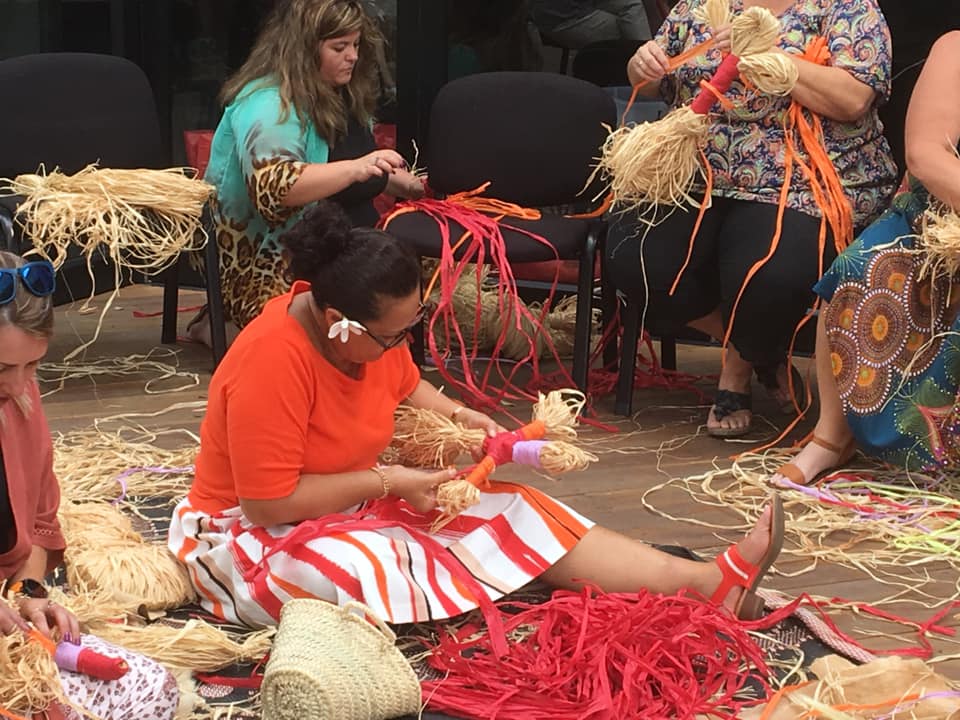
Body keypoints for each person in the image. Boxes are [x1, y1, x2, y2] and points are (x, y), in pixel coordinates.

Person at [169, 200, 784, 631]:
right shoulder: (271, 360)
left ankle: (710, 582)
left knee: (514, 507)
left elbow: (409, 389)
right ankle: (452, 572)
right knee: (353, 565)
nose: (400, 346)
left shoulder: (365, 335)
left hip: (339, 504)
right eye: (392, 336)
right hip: (244, 538)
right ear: (339, 324)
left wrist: (465, 418)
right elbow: (267, 506)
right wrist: (393, 483)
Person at [608, 0, 898, 438]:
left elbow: (853, 99)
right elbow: (651, 81)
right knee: (632, 256)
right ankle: (759, 352)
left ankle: (736, 373)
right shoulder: (701, 6)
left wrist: (774, 60)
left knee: (768, 276)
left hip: (801, 179)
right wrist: (640, 66)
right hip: (693, 174)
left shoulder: (846, 7)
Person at [771, 31, 960, 484]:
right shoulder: (955, 47)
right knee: (858, 266)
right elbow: (925, 154)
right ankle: (830, 438)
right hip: (939, 217)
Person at [0, 251, 179, 719]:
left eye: (33, 365)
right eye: (2, 370)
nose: (20, 386)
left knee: (149, 689)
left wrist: (29, 596)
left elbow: (39, 523)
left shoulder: (18, 398)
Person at [189, 0, 425, 345]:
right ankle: (219, 324)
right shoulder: (270, 104)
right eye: (339, 47)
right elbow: (275, 190)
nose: (353, 57)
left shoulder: (331, 93)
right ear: (303, 50)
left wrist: (397, 181)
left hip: (322, 238)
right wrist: (358, 167)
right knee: (319, 334)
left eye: (356, 45)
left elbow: (342, 168)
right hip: (265, 255)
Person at [531, 0, 652, 50]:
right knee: (626, 32)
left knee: (633, 6)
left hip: (581, 3)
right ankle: (650, 77)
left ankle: (654, 67)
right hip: (561, 16)